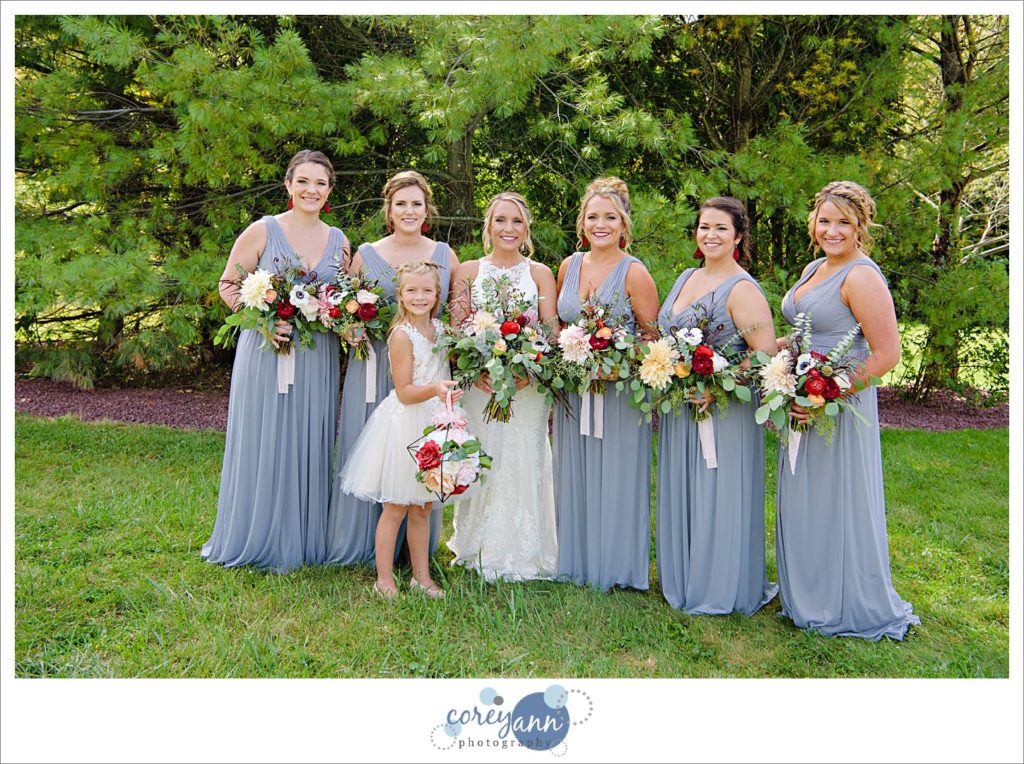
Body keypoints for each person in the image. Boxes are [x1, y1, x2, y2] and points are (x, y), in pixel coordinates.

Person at [776, 180, 920, 640]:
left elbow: (886, 354)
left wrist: (825, 393)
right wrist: (770, 357)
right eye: (825, 220)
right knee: (804, 496)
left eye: (844, 222)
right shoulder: (814, 267)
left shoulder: (861, 275)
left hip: (838, 404)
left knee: (833, 499)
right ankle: (806, 594)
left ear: (861, 226)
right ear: (813, 223)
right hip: (801, 395)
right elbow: (802, 333)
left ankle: (840, 600)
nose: (833, 230)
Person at [202, 149, 348, 572]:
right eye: (303, 181)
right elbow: (229, 284)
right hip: (266, 351)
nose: (311, 190)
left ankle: (305, 539)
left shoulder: (338, 240)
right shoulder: (263, 230)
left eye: (320, 183)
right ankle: (257, 535)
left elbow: (338, 300)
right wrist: (261, 323)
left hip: (316, 357)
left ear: (329, 190)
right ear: (288, 185)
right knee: (264, 438)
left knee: (310, 438)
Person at [325, 170, 459, 565]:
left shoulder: (444, 254)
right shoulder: (366, 254)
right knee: (373, 458)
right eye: (401, 203)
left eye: (416, 203)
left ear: (427, 208)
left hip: (427, 373)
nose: (409, 211)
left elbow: (454, 313)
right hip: (375, 367)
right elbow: (343, 308)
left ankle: (417, 560)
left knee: (418, 466)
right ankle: (359, 547)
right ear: (389, 209)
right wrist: (351, 327)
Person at [655, 197, 778, 615]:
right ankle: (687, 573)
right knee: (687, 489)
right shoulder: (687, 276)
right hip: (681, 406)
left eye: (721, 228)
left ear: (739, 236)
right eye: (704, 227)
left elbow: (763, 354)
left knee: (716, 492)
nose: (710, 235)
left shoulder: (742, 288)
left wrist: (717, 387)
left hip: (723, 411)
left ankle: (721, 584)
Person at [553, 177, 660, 591]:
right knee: (573, 470)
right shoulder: (569, 265)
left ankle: (615, 566)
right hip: (574, 388)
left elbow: (652, 338)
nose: (601, 224)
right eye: (593, 216)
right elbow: (561, 325)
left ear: (623, 224)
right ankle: (573, 558)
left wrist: (617, 364)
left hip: (618, 392)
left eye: (609, 217)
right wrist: (572, 351)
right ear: (583, 222)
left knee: (616, 474)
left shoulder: (635, 273)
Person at [446, 192, 558, 581]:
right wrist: (475, 366)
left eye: (516, 222)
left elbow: (550, 329)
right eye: (500, 220)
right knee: (486, 453)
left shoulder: (540, 273)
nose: (508, 229)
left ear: (527, 229)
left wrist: (532, 367)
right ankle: (476, 544)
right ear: (488, 226)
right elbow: (458, 329)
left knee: (523, 456)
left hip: (527, 387)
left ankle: (524, 549)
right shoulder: (468, 271)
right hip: (481, 385)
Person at [336, 261, 460, 598]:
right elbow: (405, 392)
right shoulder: (401, 336)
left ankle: (421, 577)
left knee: (422, 506)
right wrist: (436, 389)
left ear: (437, 294)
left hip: (437, 423)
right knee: (397, 506)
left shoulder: (444, 331)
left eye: (427, 290)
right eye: (412, 290)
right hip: (407, 423)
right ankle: (384, 579)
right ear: (401, 296)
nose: (420, 296)